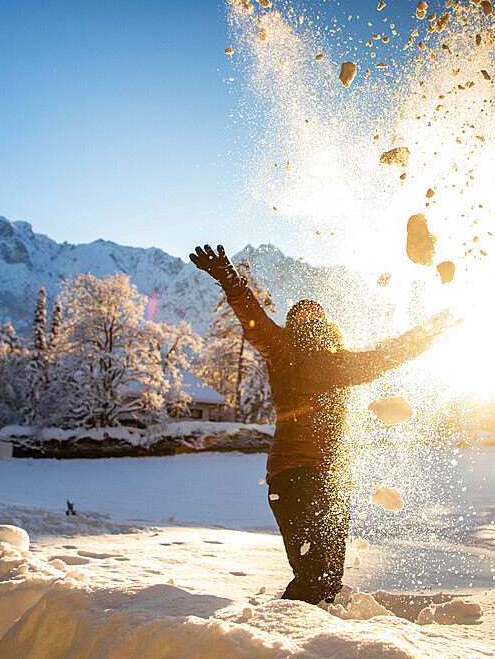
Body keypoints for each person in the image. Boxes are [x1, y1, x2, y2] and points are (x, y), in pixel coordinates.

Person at [189, 244, 454, 605]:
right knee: (313, 577)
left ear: (327, 324)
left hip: (334, 481)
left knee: (328, 580)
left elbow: (383, 356)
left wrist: (423, 336)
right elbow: (256, 323)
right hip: (294, 474)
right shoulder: (284, 351)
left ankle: (315, 642)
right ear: (293, 323)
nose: (308, 316)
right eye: (301, 313)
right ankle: (276, 636)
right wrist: (232, 283)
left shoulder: (338, 363)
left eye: (315, 312)